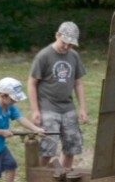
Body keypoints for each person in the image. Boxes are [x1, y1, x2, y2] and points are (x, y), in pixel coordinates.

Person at [27, 21, 87, 169]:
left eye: (70, 44)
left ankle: (63, 175)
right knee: (48, 147)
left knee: (71, 146)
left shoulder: (74, 56)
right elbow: (31, 83)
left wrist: (82, 108)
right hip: (48, 107)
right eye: (64, 42)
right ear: (57, 35)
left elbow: (78, 83)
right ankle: (39, 177)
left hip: (68, 107)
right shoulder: (44, 56)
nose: (66, 47)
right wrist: (35, 110)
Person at [0, 77, 45, 182]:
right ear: (3, 95)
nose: (15, 102)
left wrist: (36, 129)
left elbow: (20, 118)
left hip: (0, 147)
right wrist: (2, 132)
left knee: (11, 166)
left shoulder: (9, 106)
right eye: (13, 99)